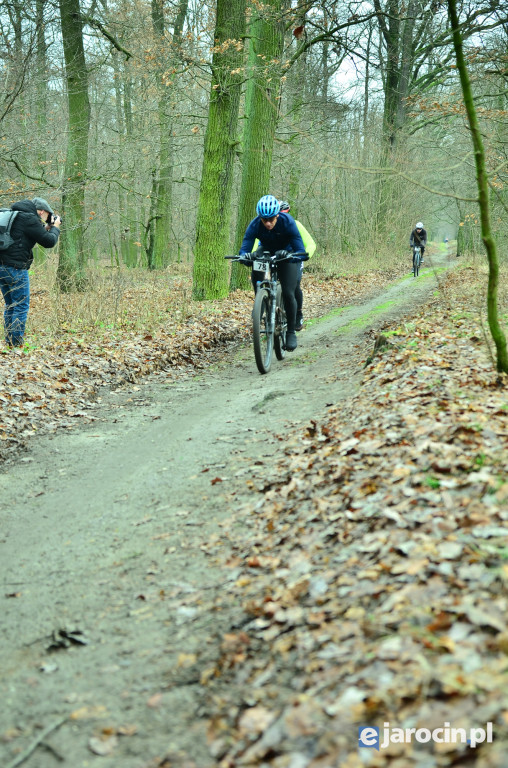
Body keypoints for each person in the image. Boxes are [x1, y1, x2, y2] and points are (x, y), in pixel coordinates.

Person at [239, 194, 306, 351]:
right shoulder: (255, 224)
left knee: (289, 293)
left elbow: (300, 249)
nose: (268, 223)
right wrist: (246, 257)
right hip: (266, 251)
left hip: (286, 253)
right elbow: (245, 248)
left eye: (271, 219)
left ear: (277, 215)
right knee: (256, 262)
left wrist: (293, 256)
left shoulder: (287, 222)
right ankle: (260, 300)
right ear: (260, 218)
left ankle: (290, 332)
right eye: (264, 220)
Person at [0, 197, 61, 348]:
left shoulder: (15, 215)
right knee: (21, 306)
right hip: (15, 268)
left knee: (11, 305)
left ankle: (10, 341)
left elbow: (24, 236)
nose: (48, 219)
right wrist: (56, 227)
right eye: (48, 215)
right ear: (41, 211)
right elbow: (49, 242)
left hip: (2, 267)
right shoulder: (30, 219)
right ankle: (16, 343)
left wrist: (45, 228)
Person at [278, 201, 316, 331]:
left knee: (294, 286)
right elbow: (257, 243)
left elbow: (311, 243)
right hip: (277, 258)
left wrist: (306, 254)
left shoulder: (296, 225)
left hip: (295, 259)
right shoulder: (268, 227)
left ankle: (298, 314)